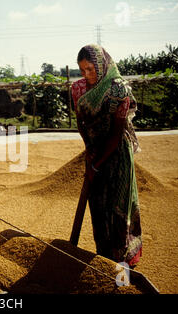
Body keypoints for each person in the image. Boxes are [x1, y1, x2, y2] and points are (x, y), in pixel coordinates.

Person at [72, 44, 142, 267]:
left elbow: (116, 133)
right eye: (82, 70)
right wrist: (90, 150)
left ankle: (123, 263)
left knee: (117, 209)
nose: (86, 75)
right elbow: (81, 122)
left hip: (117, 154)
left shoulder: (118, 90)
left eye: (90, 69)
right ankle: (103, 260)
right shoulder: (78, 89)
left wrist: (98, 163)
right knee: (98, 208)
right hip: (94, 151)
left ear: (101, 66)